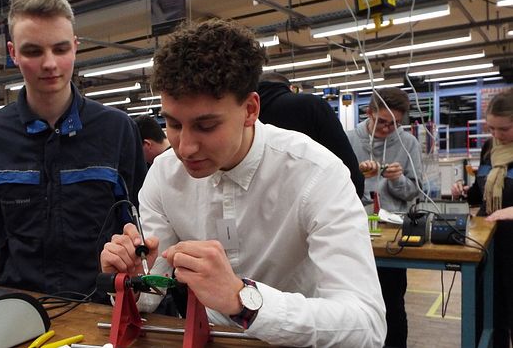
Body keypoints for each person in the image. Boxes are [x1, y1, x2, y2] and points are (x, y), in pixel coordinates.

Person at [100, 19, 385, 346]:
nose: (185, 147)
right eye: (173, 124)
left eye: (206, 126)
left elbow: (366, 326)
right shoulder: (164, 176)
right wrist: (129, 279)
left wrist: (243, 302)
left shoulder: (316, 173)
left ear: (250, 109)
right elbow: (152, 294)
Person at [0, 0, 146, 297]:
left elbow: (140, 228)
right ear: (13, 53)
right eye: (33, 51)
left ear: (76, 46)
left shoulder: (118, 131)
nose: (50, 63)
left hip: (105, 309)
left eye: (60, 48)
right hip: (21, 310)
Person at [347, 87, 422, 348]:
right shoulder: (348, 140)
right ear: (368, 113)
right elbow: (334, 188)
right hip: (353, 235)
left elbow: (415, 191)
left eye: (396, 124)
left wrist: (398, 179)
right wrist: (358, 176)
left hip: (392, 237)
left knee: (392, 303)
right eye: (384, 122)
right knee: (354, 302)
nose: (390, 129)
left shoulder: (408, 143)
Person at [451, 88, 513, 347]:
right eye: (491, 129)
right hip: (491, 246)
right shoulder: (490, 148)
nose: (496, 136)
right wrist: (464, 191)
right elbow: (480, 195)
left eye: (504, 129)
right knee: (489, 317)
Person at [258, 72, 364, 197]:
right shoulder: (312, 105)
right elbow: (346, 164)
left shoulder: (245, 113)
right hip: (314, 202)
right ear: (291, 89)